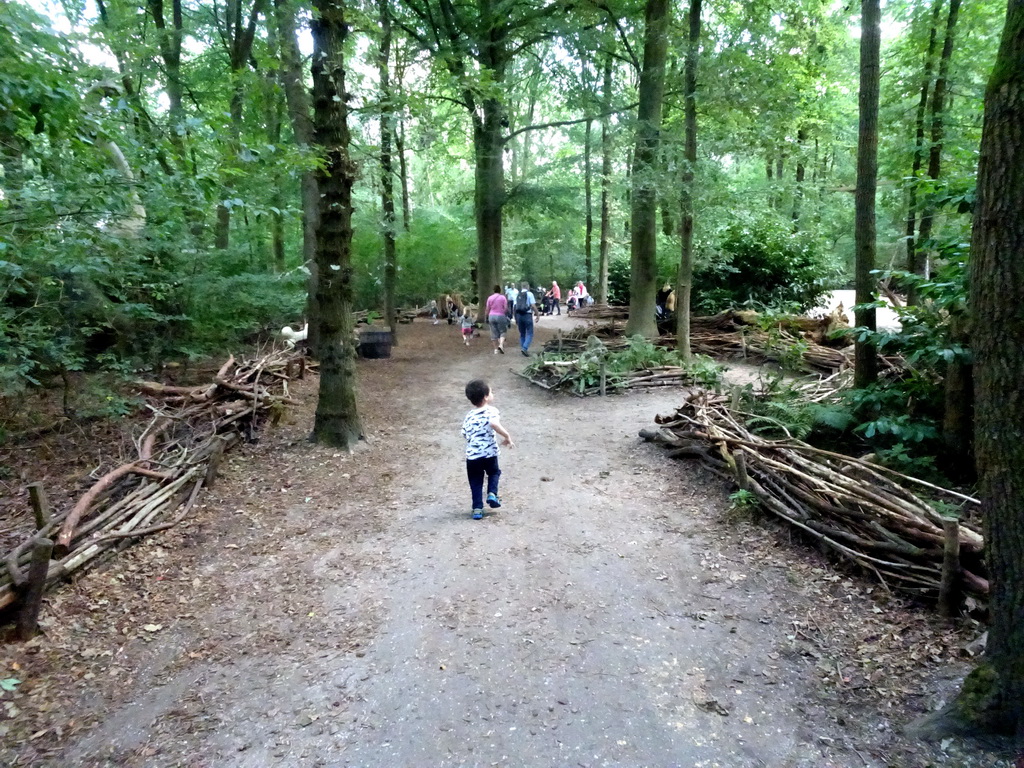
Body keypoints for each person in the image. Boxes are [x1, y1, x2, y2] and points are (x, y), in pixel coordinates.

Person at [461, 379, 514, 519]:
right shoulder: (491, 411)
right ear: (485, 397)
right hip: (489, 453)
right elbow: (493, 423)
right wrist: (506, 436)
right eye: (491, 392)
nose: (492, 394)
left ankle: (477, 508)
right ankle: (492, 493)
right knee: (494, 472)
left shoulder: (469, 416)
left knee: (475, 481)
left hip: (472, 456)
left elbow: (465, 434)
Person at [512, 280, 537, 356]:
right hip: (527, 315)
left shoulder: (517, 295)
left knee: (522, 334)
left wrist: (515, 317)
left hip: (519, 315)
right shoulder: (530, 294)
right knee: (530, 333)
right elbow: (533, 305)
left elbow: (514, 307)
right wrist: (537, 314)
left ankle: (523, 348)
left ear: (522, 287)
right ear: (527, 286)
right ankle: (525, 348)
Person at [485, 284, 509, 354]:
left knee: (493, 332)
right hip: (501, 315)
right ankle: (501, 345)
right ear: (500, 290)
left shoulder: (490, 298)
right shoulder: (503, 298)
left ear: (493, 290)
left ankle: (495, 349)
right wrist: (503, 312)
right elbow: (506, 308)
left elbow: (487, 309)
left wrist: (486, 316)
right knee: (503, 331)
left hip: (491, 316)